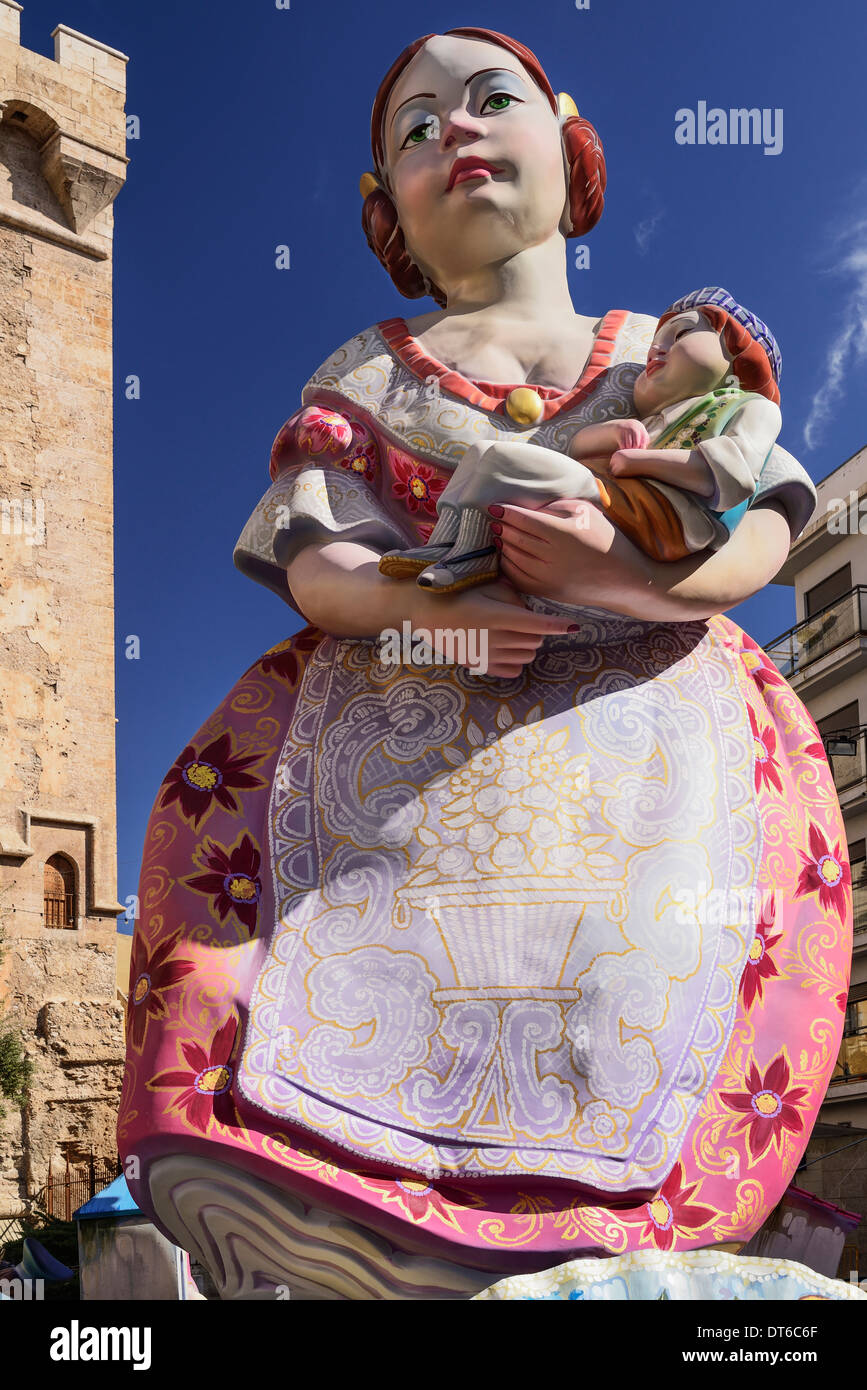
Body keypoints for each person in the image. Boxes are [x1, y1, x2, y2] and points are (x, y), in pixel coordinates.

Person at [118, 26, 853, 1301]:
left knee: (630, 981)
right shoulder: (364, 376)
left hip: (649, 755)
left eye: (489, 100)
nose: (453, 129)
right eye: (414, 127)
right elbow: (317, 565)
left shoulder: (668, 353)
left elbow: (773, 527)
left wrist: (617, 582)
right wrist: (435, 617)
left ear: (571, 151)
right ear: (381, 212)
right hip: (406, 750)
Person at [374, 285, 787, 590]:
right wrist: (609, 433)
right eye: (654, 343)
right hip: (623, 494)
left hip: (670, 514)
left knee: (505, 462)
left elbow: (730, 475)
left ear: (738, 363)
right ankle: (449, 541)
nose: (656, 350)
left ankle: (473, 552)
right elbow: (576, 449)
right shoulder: (663, 415)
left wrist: (637, 462)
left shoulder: (751, 409)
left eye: (679, 336)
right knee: (485, 453)